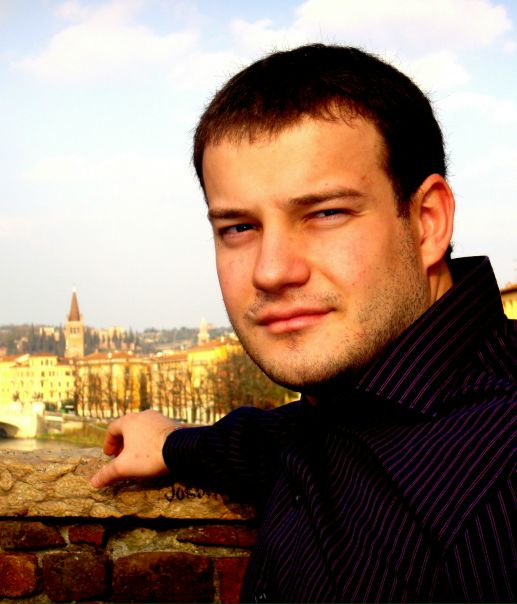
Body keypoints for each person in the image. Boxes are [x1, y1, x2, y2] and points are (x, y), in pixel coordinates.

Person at [91, 44, 516, 603]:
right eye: (239, 228)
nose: (271, 271)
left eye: (325, 213)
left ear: (427, 221)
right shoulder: (352, 406)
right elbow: (286, 436)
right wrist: (175, 445)